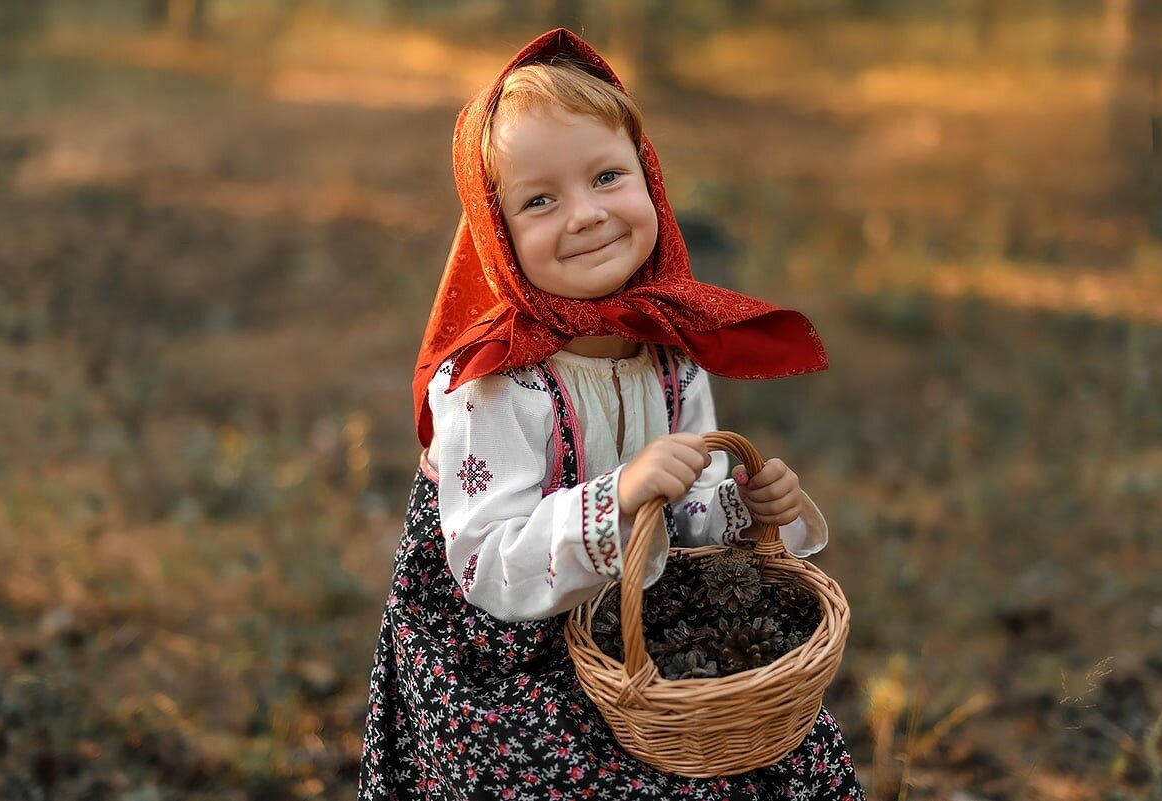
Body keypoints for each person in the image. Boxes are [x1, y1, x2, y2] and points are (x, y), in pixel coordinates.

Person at [359, 28, 865, 800]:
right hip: (503, 655)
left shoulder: (670, 349)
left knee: (792, 755)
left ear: (649, 178)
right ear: (497, 233)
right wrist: (618, 493)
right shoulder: (493, 382)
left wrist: (743, 506)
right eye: (539, 199)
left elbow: (687, 518)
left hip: (634, 621)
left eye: (606, 176)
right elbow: (488, 565)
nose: (587, 215)